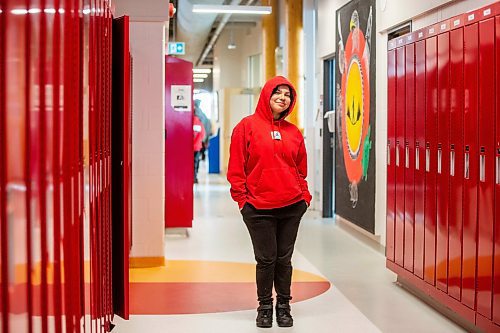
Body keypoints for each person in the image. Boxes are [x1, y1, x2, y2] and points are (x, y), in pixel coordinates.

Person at [227, 76, 312, 328]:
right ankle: (264, 307)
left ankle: (283, 306)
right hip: (258, 207)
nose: (282, 97)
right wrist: (242, 201)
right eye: (278, 92)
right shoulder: (246, 127)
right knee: (266, 259)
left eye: (287, 94)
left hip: (291, 205)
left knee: (284, 260)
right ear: (267, 95)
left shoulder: (293, 132)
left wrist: (304, 197)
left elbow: (300, 168)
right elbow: (236, 168)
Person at [193, 112, 205, 183]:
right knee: (196, 161)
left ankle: (192, 176)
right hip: (197, 146)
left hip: (190, 147)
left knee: (190, 163)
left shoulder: (190, 122)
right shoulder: (200, 124)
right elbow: (203, 134)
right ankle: (195, 176)